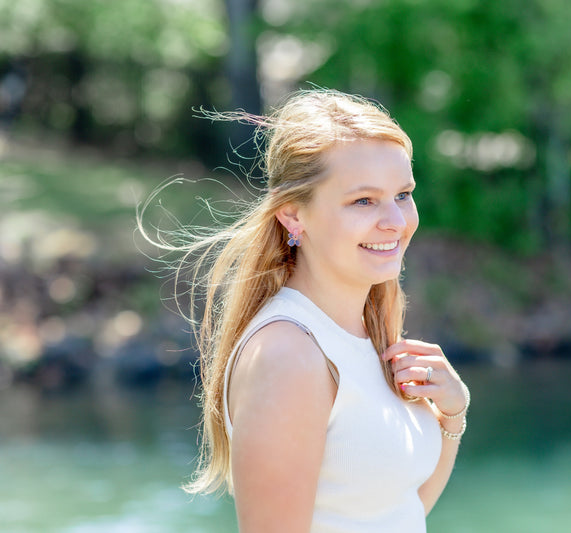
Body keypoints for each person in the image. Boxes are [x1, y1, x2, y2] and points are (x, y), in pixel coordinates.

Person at [144, 90, 470, 532]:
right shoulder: (288, 355)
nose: (396, 220)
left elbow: (397, 512)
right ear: (293, 216)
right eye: (363, 201)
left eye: (403, 194)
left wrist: (452, 415)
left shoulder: (367, 334)